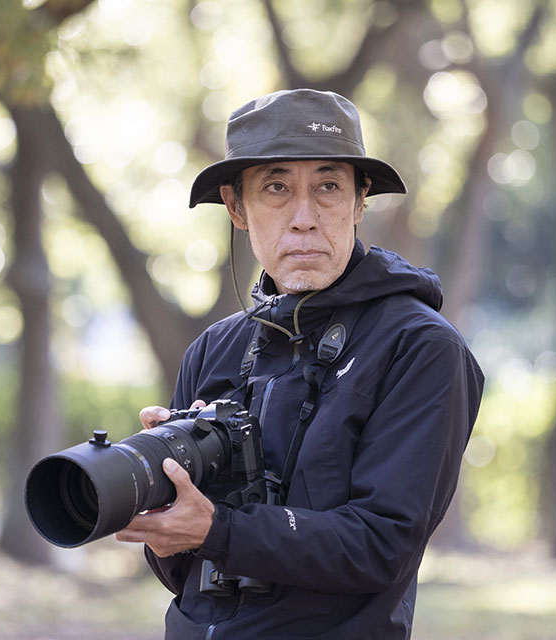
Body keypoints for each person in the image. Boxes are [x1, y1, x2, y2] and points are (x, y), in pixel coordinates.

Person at [115, 88, 484, 639]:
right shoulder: (215, 349)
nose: (304, 217)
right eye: (277, 187)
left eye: (329, 186)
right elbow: (182, 573)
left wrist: (219, 528)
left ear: (361, 201)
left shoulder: (421, 348)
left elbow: (381, 546)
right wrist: (167, 495)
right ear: (237, 207)